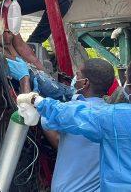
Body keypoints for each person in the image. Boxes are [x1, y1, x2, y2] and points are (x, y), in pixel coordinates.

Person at [17, 62, 131, 191]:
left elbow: (62, 114)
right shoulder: (112, 114)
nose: (74, 79)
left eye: (77, 75)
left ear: (85, 82)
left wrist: (29, 91)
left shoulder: (108, 117)